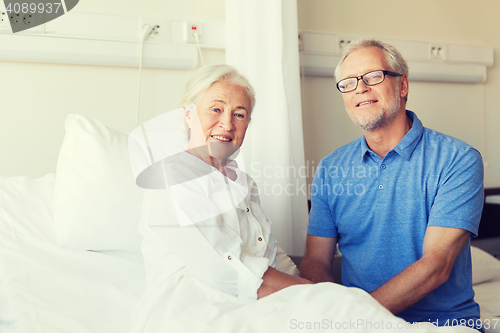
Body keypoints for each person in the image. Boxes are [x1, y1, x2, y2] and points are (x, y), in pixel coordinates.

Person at [300, 39, 484, 331]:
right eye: (348, 83)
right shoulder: (330, 169)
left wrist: (354, 319)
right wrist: (334, 312)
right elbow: (315, 261)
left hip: (441, 325)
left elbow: (436, 266)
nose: (360, 88)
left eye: (373, 76)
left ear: (403, 86)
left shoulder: (458, 160)